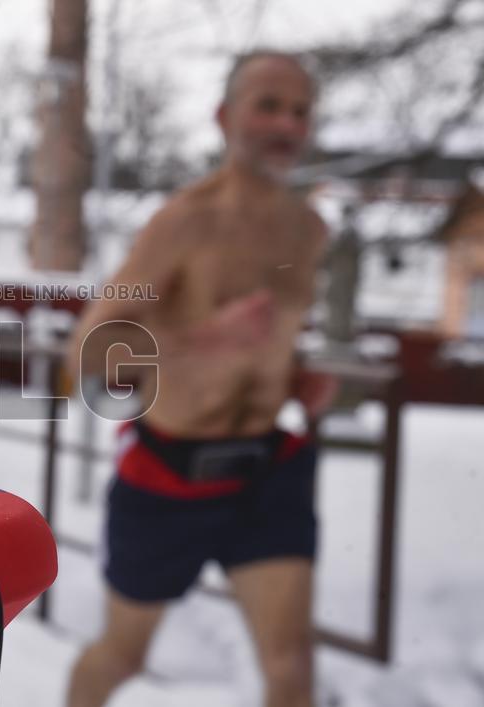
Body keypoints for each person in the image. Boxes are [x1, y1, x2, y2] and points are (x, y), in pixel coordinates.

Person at [64, 50, 339, 707]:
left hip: (266, 468)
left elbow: (274, 340)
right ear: (224, 117)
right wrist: (204, 340)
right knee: (122, 657)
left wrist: (301, 378)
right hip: (169, 472)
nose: (286, 125)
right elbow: (88, 353)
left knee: (292, 662)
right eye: (268, 105)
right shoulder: (181, 223)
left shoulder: (308, 230)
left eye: (300, 111)